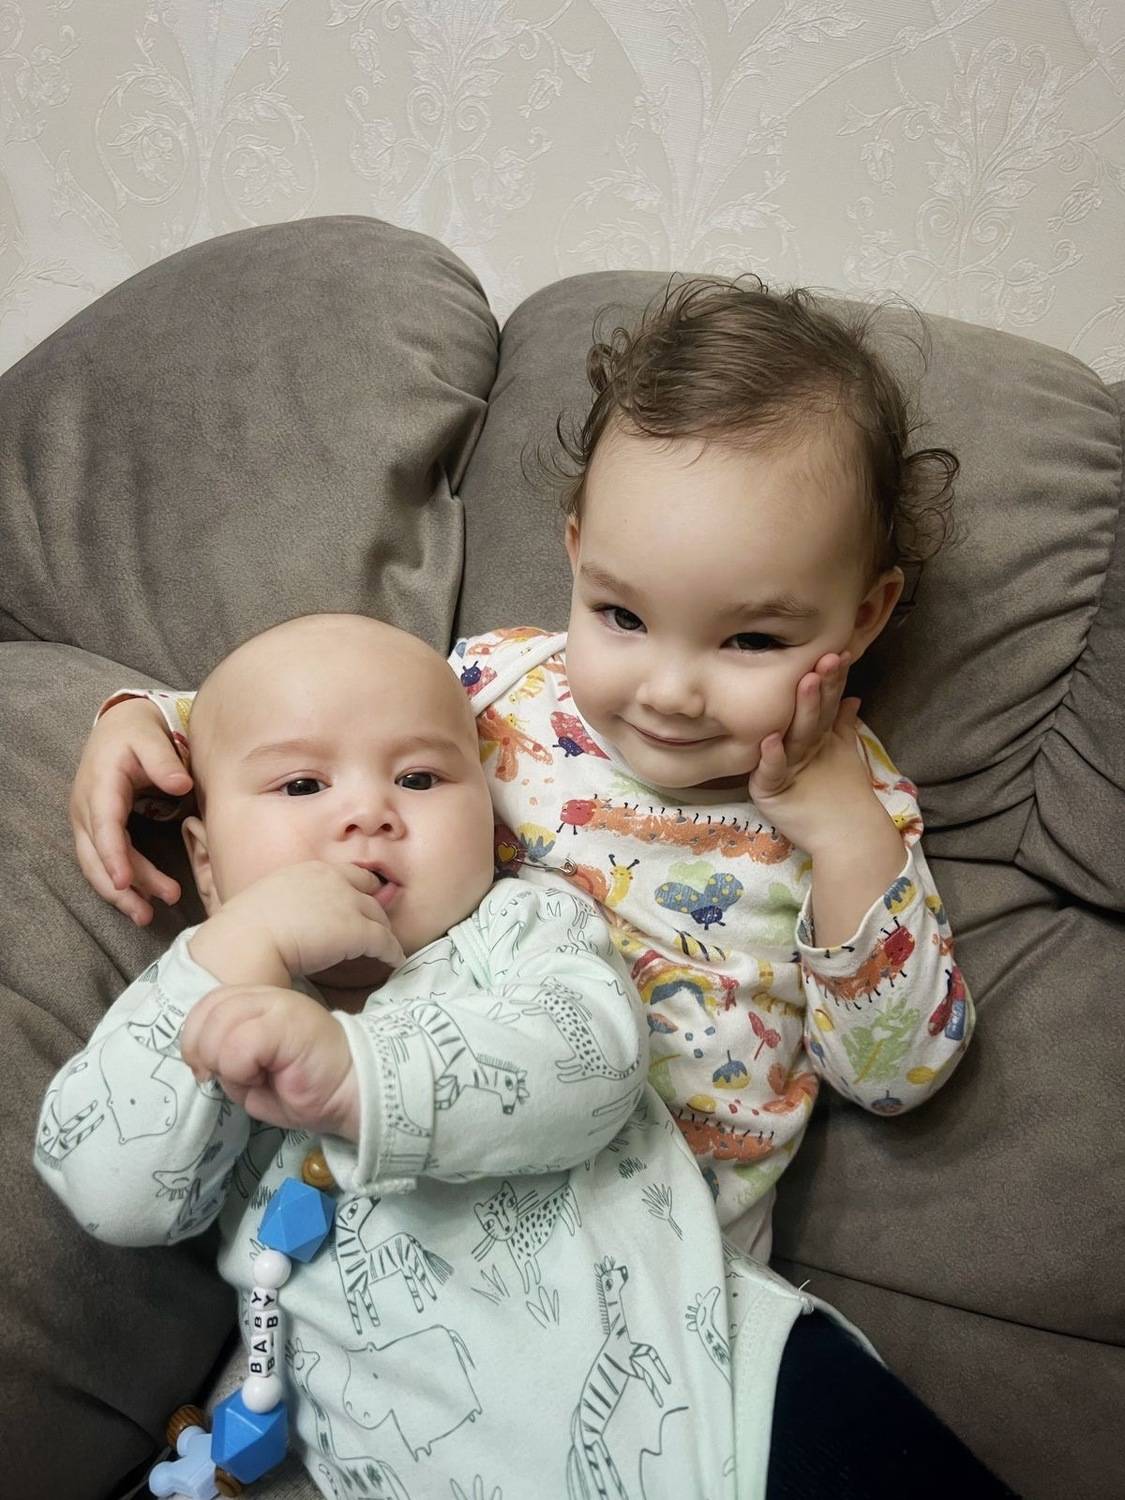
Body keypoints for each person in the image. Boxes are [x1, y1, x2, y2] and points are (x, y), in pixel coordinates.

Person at [66, 281, 1018, 1495]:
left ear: (865, 614)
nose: (669, 688)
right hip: (435, 1187)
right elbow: (307, 721)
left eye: (751, 641)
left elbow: (897, 1074)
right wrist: (149, 721)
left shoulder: (854, 801)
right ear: (574, 555)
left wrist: (838, 833)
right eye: (622, 613)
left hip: (656, 1287)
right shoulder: (499, 684)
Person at [38, 612, 821, 1500]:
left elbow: (591, 1069)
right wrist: (237, 947)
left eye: (418, 778)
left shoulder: (520, 931)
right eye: (302, 785)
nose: (368, 812)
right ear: (207, 865)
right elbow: (110, 1192)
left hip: (719, 1410)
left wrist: (355, 1077)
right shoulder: (210, 994)